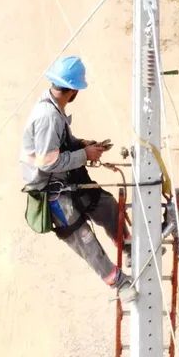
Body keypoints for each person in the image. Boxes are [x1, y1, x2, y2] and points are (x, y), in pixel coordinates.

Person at [20, 56, 136, 303]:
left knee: (105, 205)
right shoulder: (48, 117)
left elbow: (61, 145)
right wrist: (84, 155)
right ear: (73, 91)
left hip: (66, 178)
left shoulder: (54, 108)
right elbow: (48, 161)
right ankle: (120, 283)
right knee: (84, 238)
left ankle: (127, 246)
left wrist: (83, 145)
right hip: (51, 190)